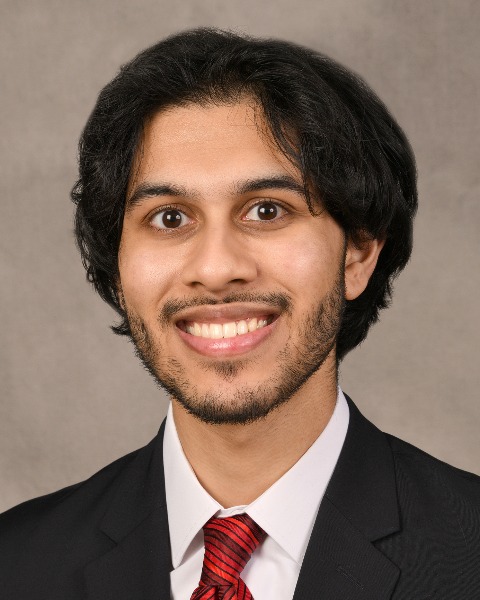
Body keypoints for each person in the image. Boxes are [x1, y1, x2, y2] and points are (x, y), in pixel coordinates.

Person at [1, 27, 479, 600]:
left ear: (358, 253)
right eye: (169, 218)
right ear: (118, 264)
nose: (216, 268)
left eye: (267, 210)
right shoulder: (17, 565)